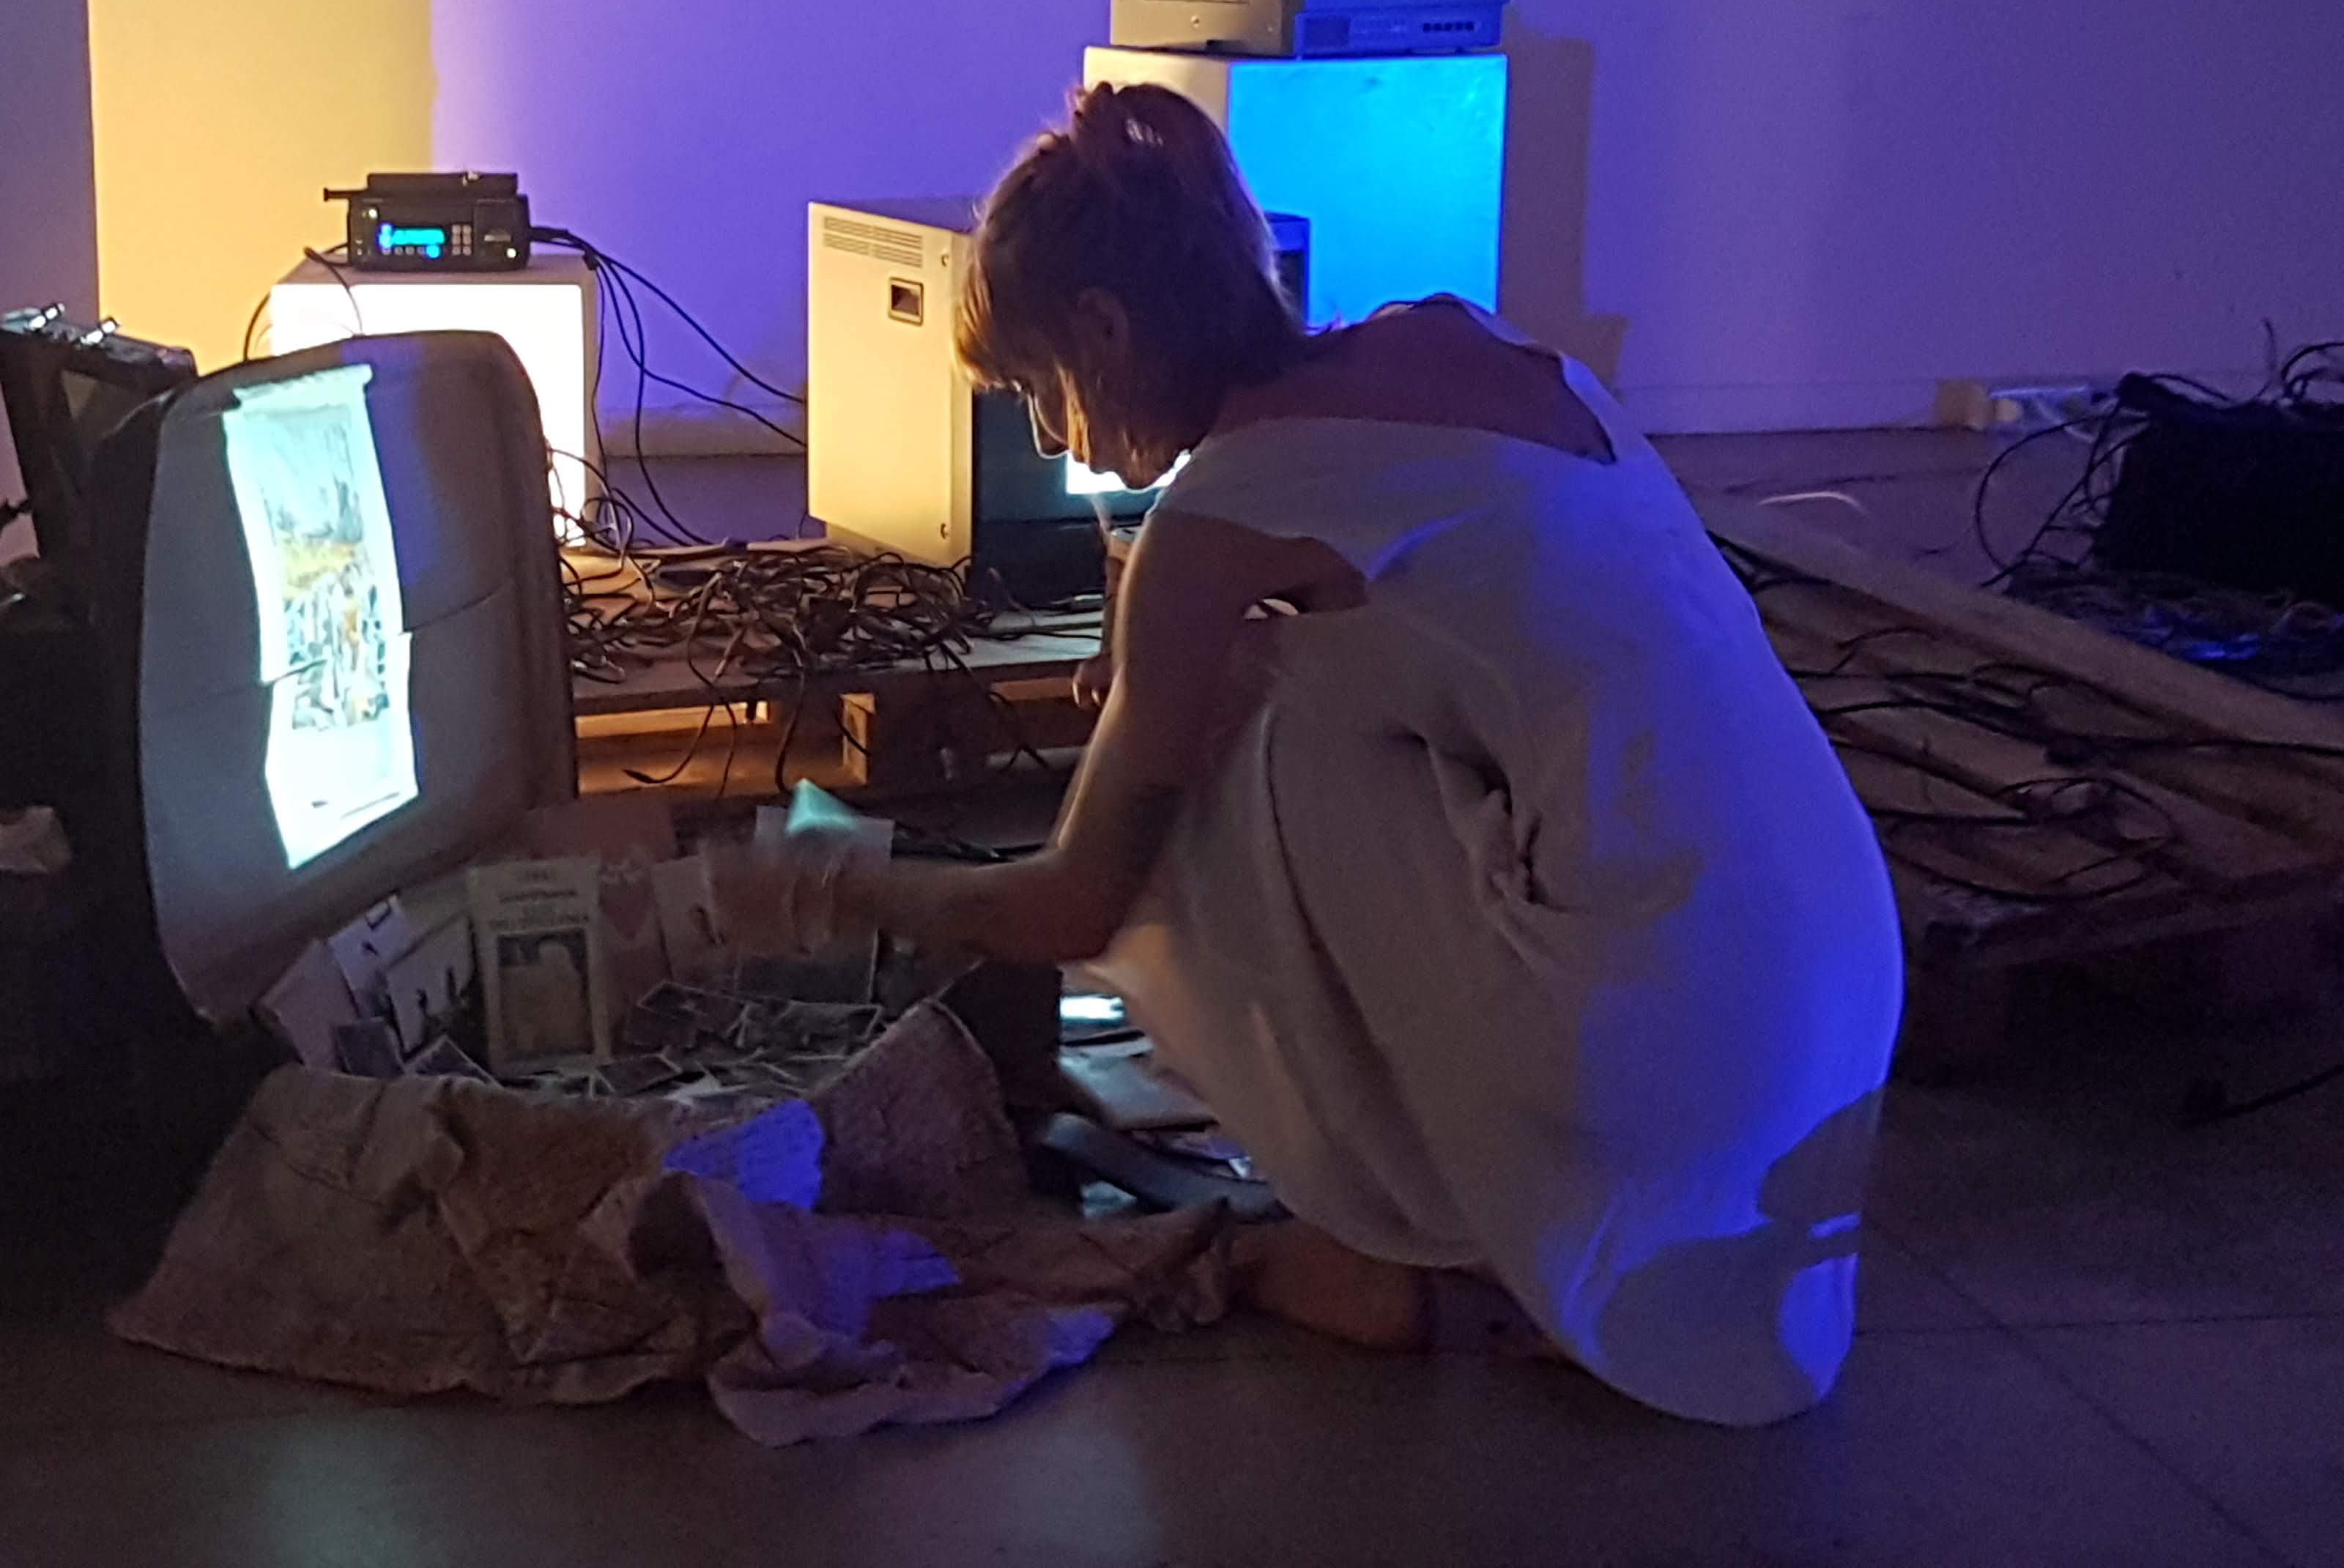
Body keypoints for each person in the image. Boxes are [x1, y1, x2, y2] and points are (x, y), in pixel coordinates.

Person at [713, 81, 1904, 1424]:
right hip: (1830, 975)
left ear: (1104, 331)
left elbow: (1072, 906)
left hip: (1674, 1028)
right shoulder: (1465, 338)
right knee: (1272, 693)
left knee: (1228, 763)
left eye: (1040, 390)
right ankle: (1502, 1212)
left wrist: (833, 883)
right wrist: (1176, 652)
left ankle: (1409, 1225)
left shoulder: (1217, 520)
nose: (1048, 436)